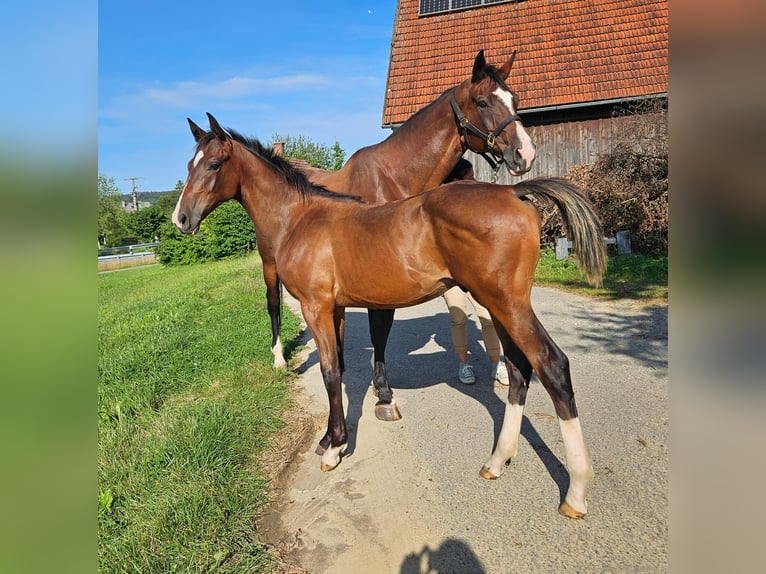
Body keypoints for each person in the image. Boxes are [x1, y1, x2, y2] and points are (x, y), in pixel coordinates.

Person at [443, 285, 509, 385]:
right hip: (452, 280)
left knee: (488, 319)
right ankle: (464, 366)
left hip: (475, 275)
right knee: (458, 320)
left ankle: (497, 365)